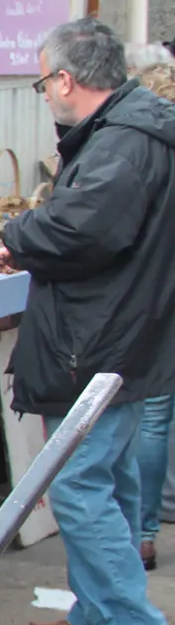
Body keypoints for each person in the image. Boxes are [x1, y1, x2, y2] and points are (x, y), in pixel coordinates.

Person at [0, 18, 175, 625]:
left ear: (67, 80)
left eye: (45, 82)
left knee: (75, 483)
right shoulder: (130, 130)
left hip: (100, 336)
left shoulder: (124, 142)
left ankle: (133, 622)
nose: (45, 94)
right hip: (117, 331)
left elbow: (85, 227)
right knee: (111, 478)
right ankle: (97, 610)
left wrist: (20, 231)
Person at [130, 58, 175, 571]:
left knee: (151, 415)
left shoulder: (142, 149)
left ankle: (141, 531)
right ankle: (148, 524)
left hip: (152, 294)